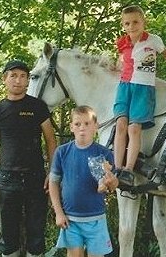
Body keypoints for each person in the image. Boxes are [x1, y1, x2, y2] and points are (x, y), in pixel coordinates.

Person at [113, 5, 166, 186]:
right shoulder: (122, 43)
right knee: (120, 124)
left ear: (144, 22)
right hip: (124, 86)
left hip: (143, 88)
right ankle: (116, 167)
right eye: (127, 23)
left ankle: (128, 169)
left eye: (135, 22)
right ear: (123, 25)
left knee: (134, 128)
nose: (131, 26)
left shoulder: (152, 40)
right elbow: (119, 64)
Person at [0, 59, 57, 257]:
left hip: (36, 180)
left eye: (23, 76)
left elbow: (51, 141)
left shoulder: (38, 107)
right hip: (7, 181)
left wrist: (52, 173)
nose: (18, 80)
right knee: (8, 238)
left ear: (27, 81)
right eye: (13, 75)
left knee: (36, 237)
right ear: (4, 79)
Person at [49, 105, 118, 257]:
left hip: (96, 219)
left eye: (87, 124)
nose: (82, 128)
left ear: (96, 126)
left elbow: (112, 185)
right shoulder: (62, 152)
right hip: (70, 220)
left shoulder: (104, 153)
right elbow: (53, 183)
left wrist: (111, 182)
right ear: (71, 127)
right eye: (77, 124)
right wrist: (59, 213)